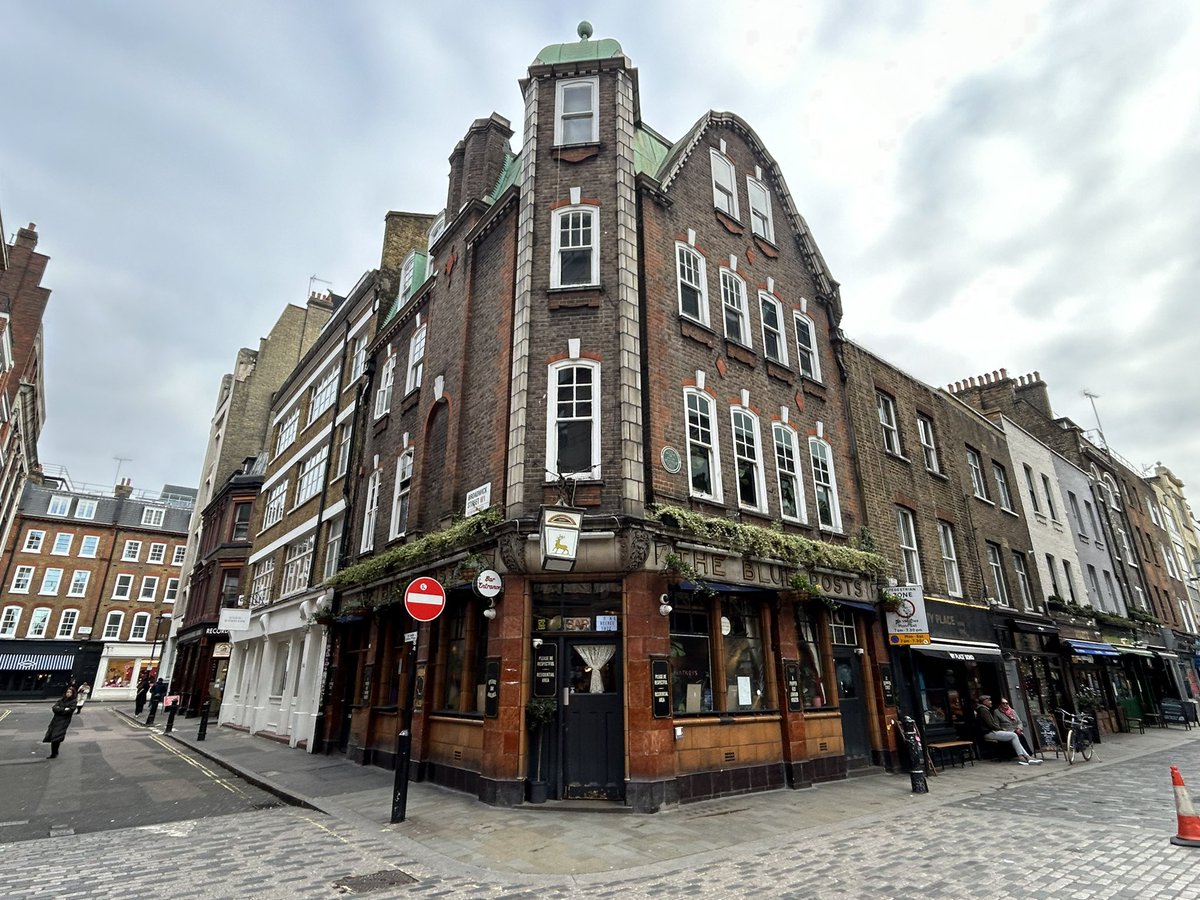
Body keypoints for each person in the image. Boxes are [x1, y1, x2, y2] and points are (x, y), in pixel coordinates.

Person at [977, 694, 1042, 765]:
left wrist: (1018, 728)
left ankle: (1027, 757)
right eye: (989, 700)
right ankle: (1022, 757)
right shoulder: (985, 710)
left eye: (1006, 703)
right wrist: (1003, 729)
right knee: (1013, 735)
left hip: (999, 730)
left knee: (1015, 736)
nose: (990, 702)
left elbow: (1019, 721)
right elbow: (992, 725)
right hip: (989, 732)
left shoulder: (1012, 711)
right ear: (984, 702)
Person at [43, 687, 77, 759]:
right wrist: (63, 709)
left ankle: (54, 753)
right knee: (53, 736)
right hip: (55, 720)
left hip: (64, 721)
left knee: (56, 736)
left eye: (70, 692)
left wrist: (60, 709)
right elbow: (54, 708)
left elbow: (70, 711)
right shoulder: (61, 700)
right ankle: (54, 752)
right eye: (67, 692)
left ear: (73, 693)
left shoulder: (73, 701)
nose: (68, 694)